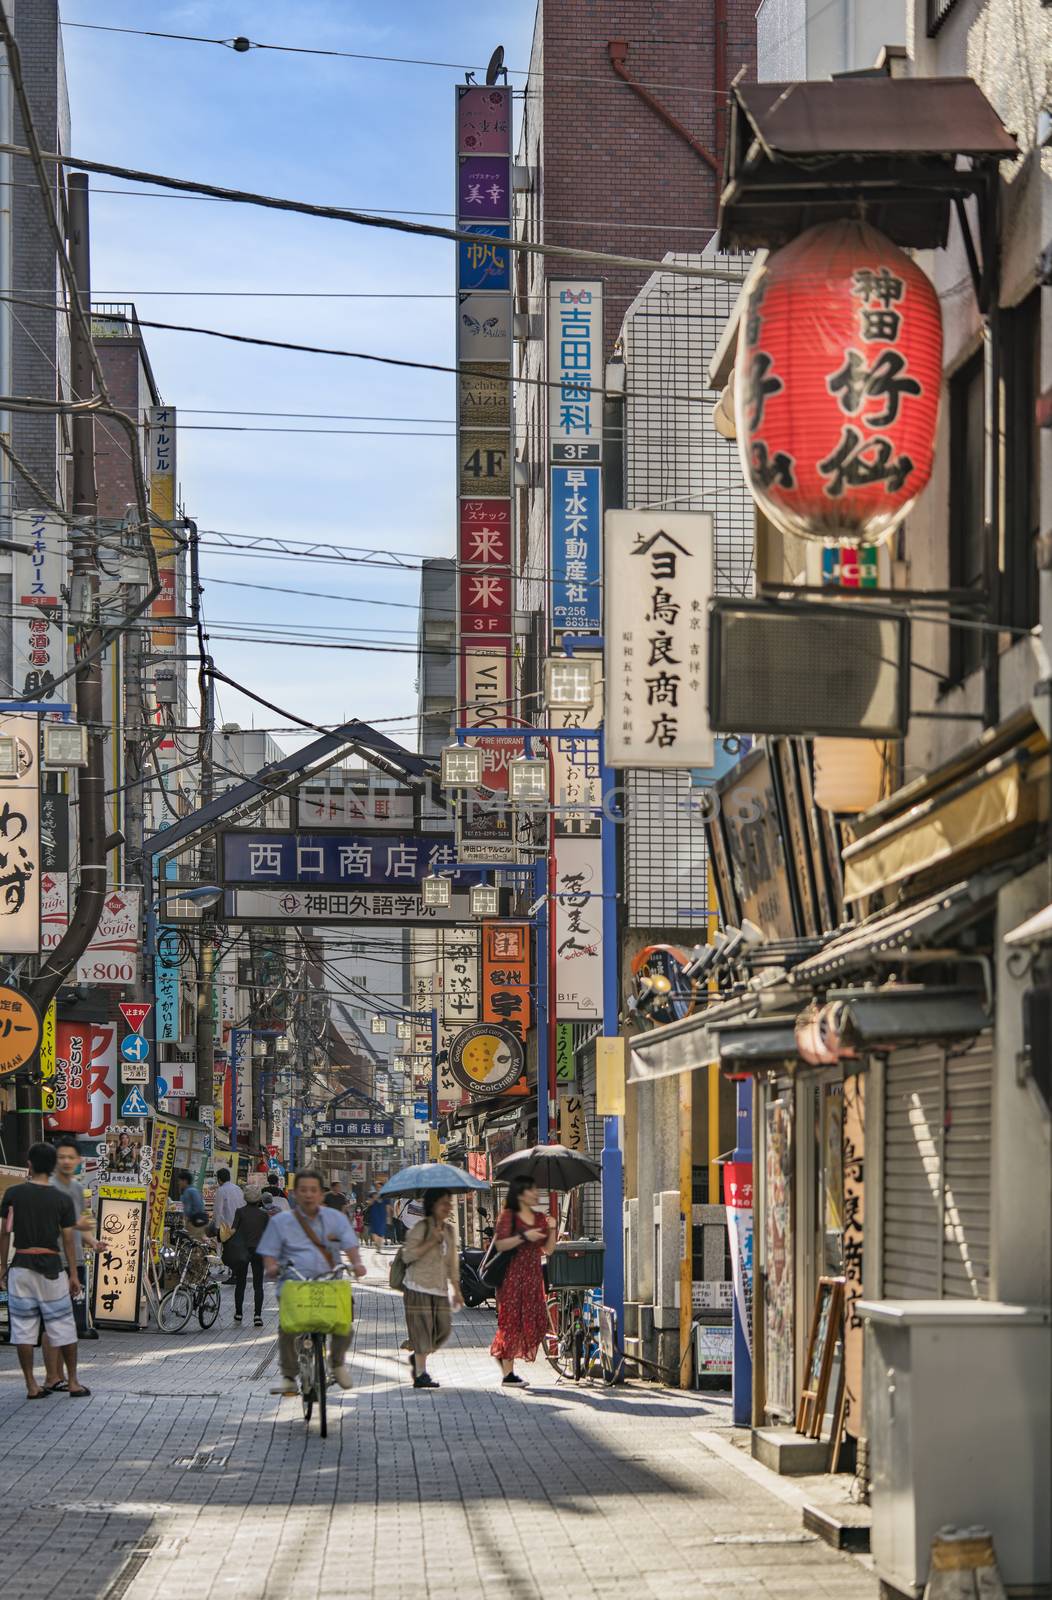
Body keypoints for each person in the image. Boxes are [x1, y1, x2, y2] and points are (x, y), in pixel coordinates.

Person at [259, 1168, 367, 1395]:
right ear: (295, 1194)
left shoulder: (335, 1219)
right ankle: (289, 1375)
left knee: (344, 1322)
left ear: (321, 1194)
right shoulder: (282, 1221)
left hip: (329, 1283)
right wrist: (271, 1266)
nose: (308, 1195)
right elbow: (269, 1250)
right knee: (287, 1327)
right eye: (303, 1190)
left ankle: (336, 1364)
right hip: (294, 1283)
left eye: (313, 1190)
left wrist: (357, 1264)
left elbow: (350, 1246)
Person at [0, 1142, 90, 1399]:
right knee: (63, 1325)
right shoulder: (61, 1199)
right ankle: (72, 1382)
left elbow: (5, 1233)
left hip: (21, 1267)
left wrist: (1, 1269)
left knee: (24, 1329)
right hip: (52, 1267)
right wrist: (73, 1274)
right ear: (52, 1167)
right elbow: (68, 1239)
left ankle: (32, 1385)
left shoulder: (14, 1194)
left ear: (29, 1164)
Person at [489, 1175, 556, 1386]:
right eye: (531, 1190)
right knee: (511, 1323)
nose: (536, 1194)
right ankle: (508, 1375)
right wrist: (525, 1237)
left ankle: (502, 1354)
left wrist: (552, 1228)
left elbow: (549, 1249)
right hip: (511, 1278)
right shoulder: (509, 1215)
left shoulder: (539, 1218)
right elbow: (500, 1245)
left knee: (536, 1322)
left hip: (532, 1277)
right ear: (520, 1193)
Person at [400, 1190, 463, 1389]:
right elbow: (407, 1256)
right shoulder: (420, 1228)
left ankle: (418, 1354)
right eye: (444, 1203)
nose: (449, 1207)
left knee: (442, 1330)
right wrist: (430, 1242)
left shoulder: (450, 1231)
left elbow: (452, 1262)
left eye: (449, 1203)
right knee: (422, 1332)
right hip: (417, 1287)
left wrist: (457, 1289)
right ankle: (421, 1373)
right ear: (433, 1205)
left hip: (439, 1288)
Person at [48, 1136, 102, 1355]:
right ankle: (55, 1375)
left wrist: (93, 1241)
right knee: (53, 1321)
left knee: (71, 1322)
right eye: (61, 1157)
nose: (66, 1161)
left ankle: (61, 1374)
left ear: (79, 1160)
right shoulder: (48, 1187)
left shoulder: (78, 1189)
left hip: (76, 1262)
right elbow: (64, 1223)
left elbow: (80, 1224)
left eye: (71, 1157)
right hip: (53, 1260)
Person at [228, 1182, 269, 1326]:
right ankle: (257, 1316)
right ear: (259, 1199)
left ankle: (238, 1314)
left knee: (241, 1283)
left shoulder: (240, 1212)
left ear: (245, 1198)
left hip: (242, 1250)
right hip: (258, 1250)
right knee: (258, 1285)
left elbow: (232, 1230)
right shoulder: (264, 1215)